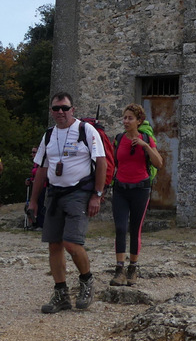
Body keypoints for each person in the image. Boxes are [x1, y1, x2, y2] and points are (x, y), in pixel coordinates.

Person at [28, 93, 107, 313]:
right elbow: (41, 169)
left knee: (72, 243)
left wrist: (97, 195)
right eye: (56, 109)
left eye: (64, 108)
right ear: (51, 111)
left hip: (79, 193)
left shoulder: (86, 131)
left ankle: (86, 282)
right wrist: (34, 201)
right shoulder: (49, 135)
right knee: (54, 244)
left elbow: (101, 163)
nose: (60, 112)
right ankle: (61, 293)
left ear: (73, 109)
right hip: (54, 194)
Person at [109, 103, 163, 287]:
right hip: (121, 189)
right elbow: (112, 163)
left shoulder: (146, 138)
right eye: (124, 118)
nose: (126, 121)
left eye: (130, 118)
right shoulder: (118, 139)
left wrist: (145, 145)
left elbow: (159, 163)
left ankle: (133, 268)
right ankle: (119, 270)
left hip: (141, 189)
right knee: (120, 227)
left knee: (135, 228)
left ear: (139, 121)